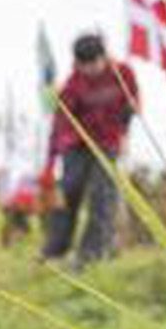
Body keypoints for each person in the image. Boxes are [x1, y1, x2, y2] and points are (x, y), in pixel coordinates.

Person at [41, 32, 138, 267]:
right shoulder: (73, 85)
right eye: (85, 66)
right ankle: (55, 249)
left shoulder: (122, 73)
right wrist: (50, 162)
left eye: (95, 63)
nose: (91, 70)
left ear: (104, 57)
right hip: (77, 145)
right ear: (77, 64)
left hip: (108, 144)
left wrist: (124, 132)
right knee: (68, 191)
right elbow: (60, 123)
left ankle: (91, 254)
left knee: (103, 196)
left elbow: (131, 104)